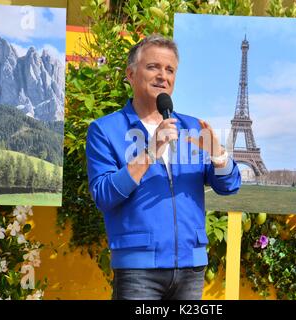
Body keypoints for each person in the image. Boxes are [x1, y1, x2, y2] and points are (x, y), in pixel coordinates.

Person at [86, 34, 241, 300]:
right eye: (153, 67)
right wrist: (149, 153)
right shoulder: (104, 130)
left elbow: (230, 186)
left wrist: (219, 155)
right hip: (138, 270)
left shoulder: (193, 127)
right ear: (130, 74)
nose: (162, 76)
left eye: (170, 70)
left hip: (191, 268)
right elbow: (103, 195)